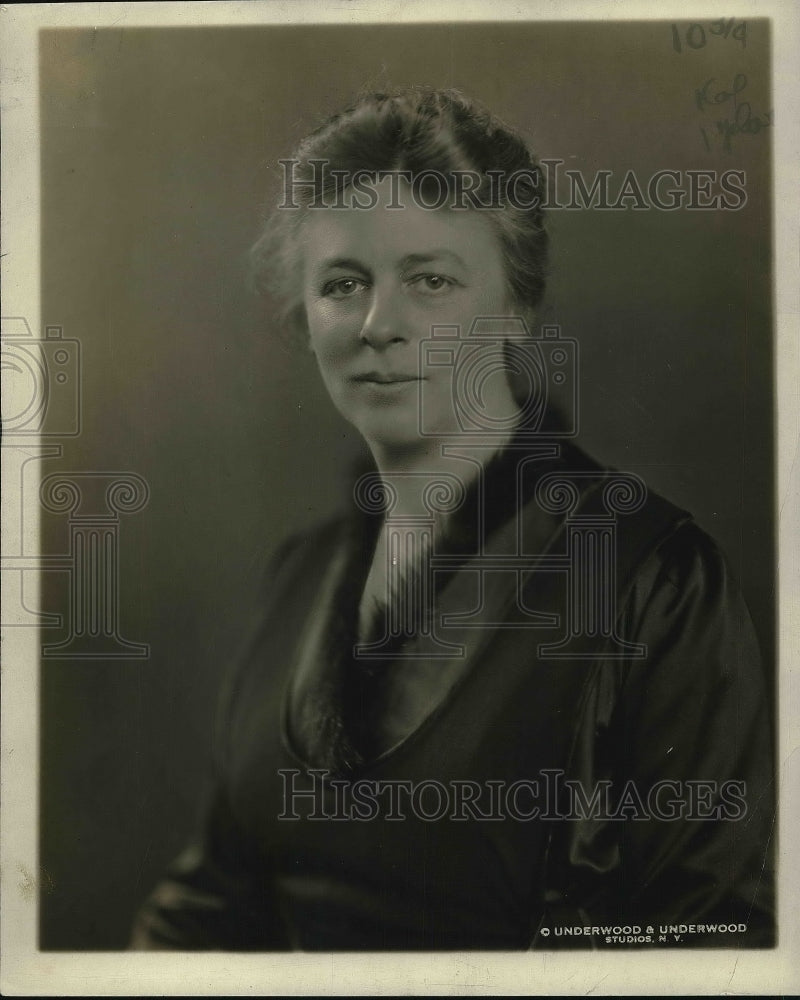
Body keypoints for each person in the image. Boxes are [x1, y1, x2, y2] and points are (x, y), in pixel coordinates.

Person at [130, 87, 775, 950]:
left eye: (430, 280)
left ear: (515, 308)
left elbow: (711, 943)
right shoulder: (300, 575)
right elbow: (206, 911)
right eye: (342, 284)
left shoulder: (652, 577)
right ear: (305, 314)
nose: (378, 325)